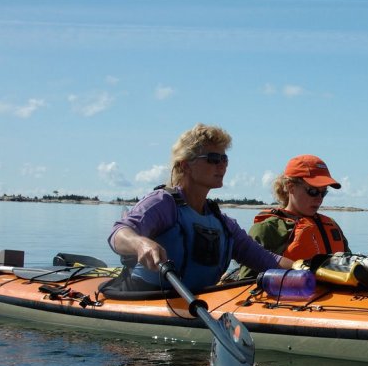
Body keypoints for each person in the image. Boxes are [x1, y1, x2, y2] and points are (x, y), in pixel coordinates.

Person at [108, 123, 293, 292]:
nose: (221, 165)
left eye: (224, 158)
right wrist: (140, 243)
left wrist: (304, 270)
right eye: (213, 158)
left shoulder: (222, 222)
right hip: (143, 297)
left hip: (198, 303)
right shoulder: (163, 203)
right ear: (185, 165)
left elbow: (267, 260)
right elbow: (119, 233)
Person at [235, 154, 349, 279]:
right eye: (313, 191)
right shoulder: (267, 229)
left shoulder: (331, 225)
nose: (319, 199)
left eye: (323, 193)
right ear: (290, 187)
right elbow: (246, 286)